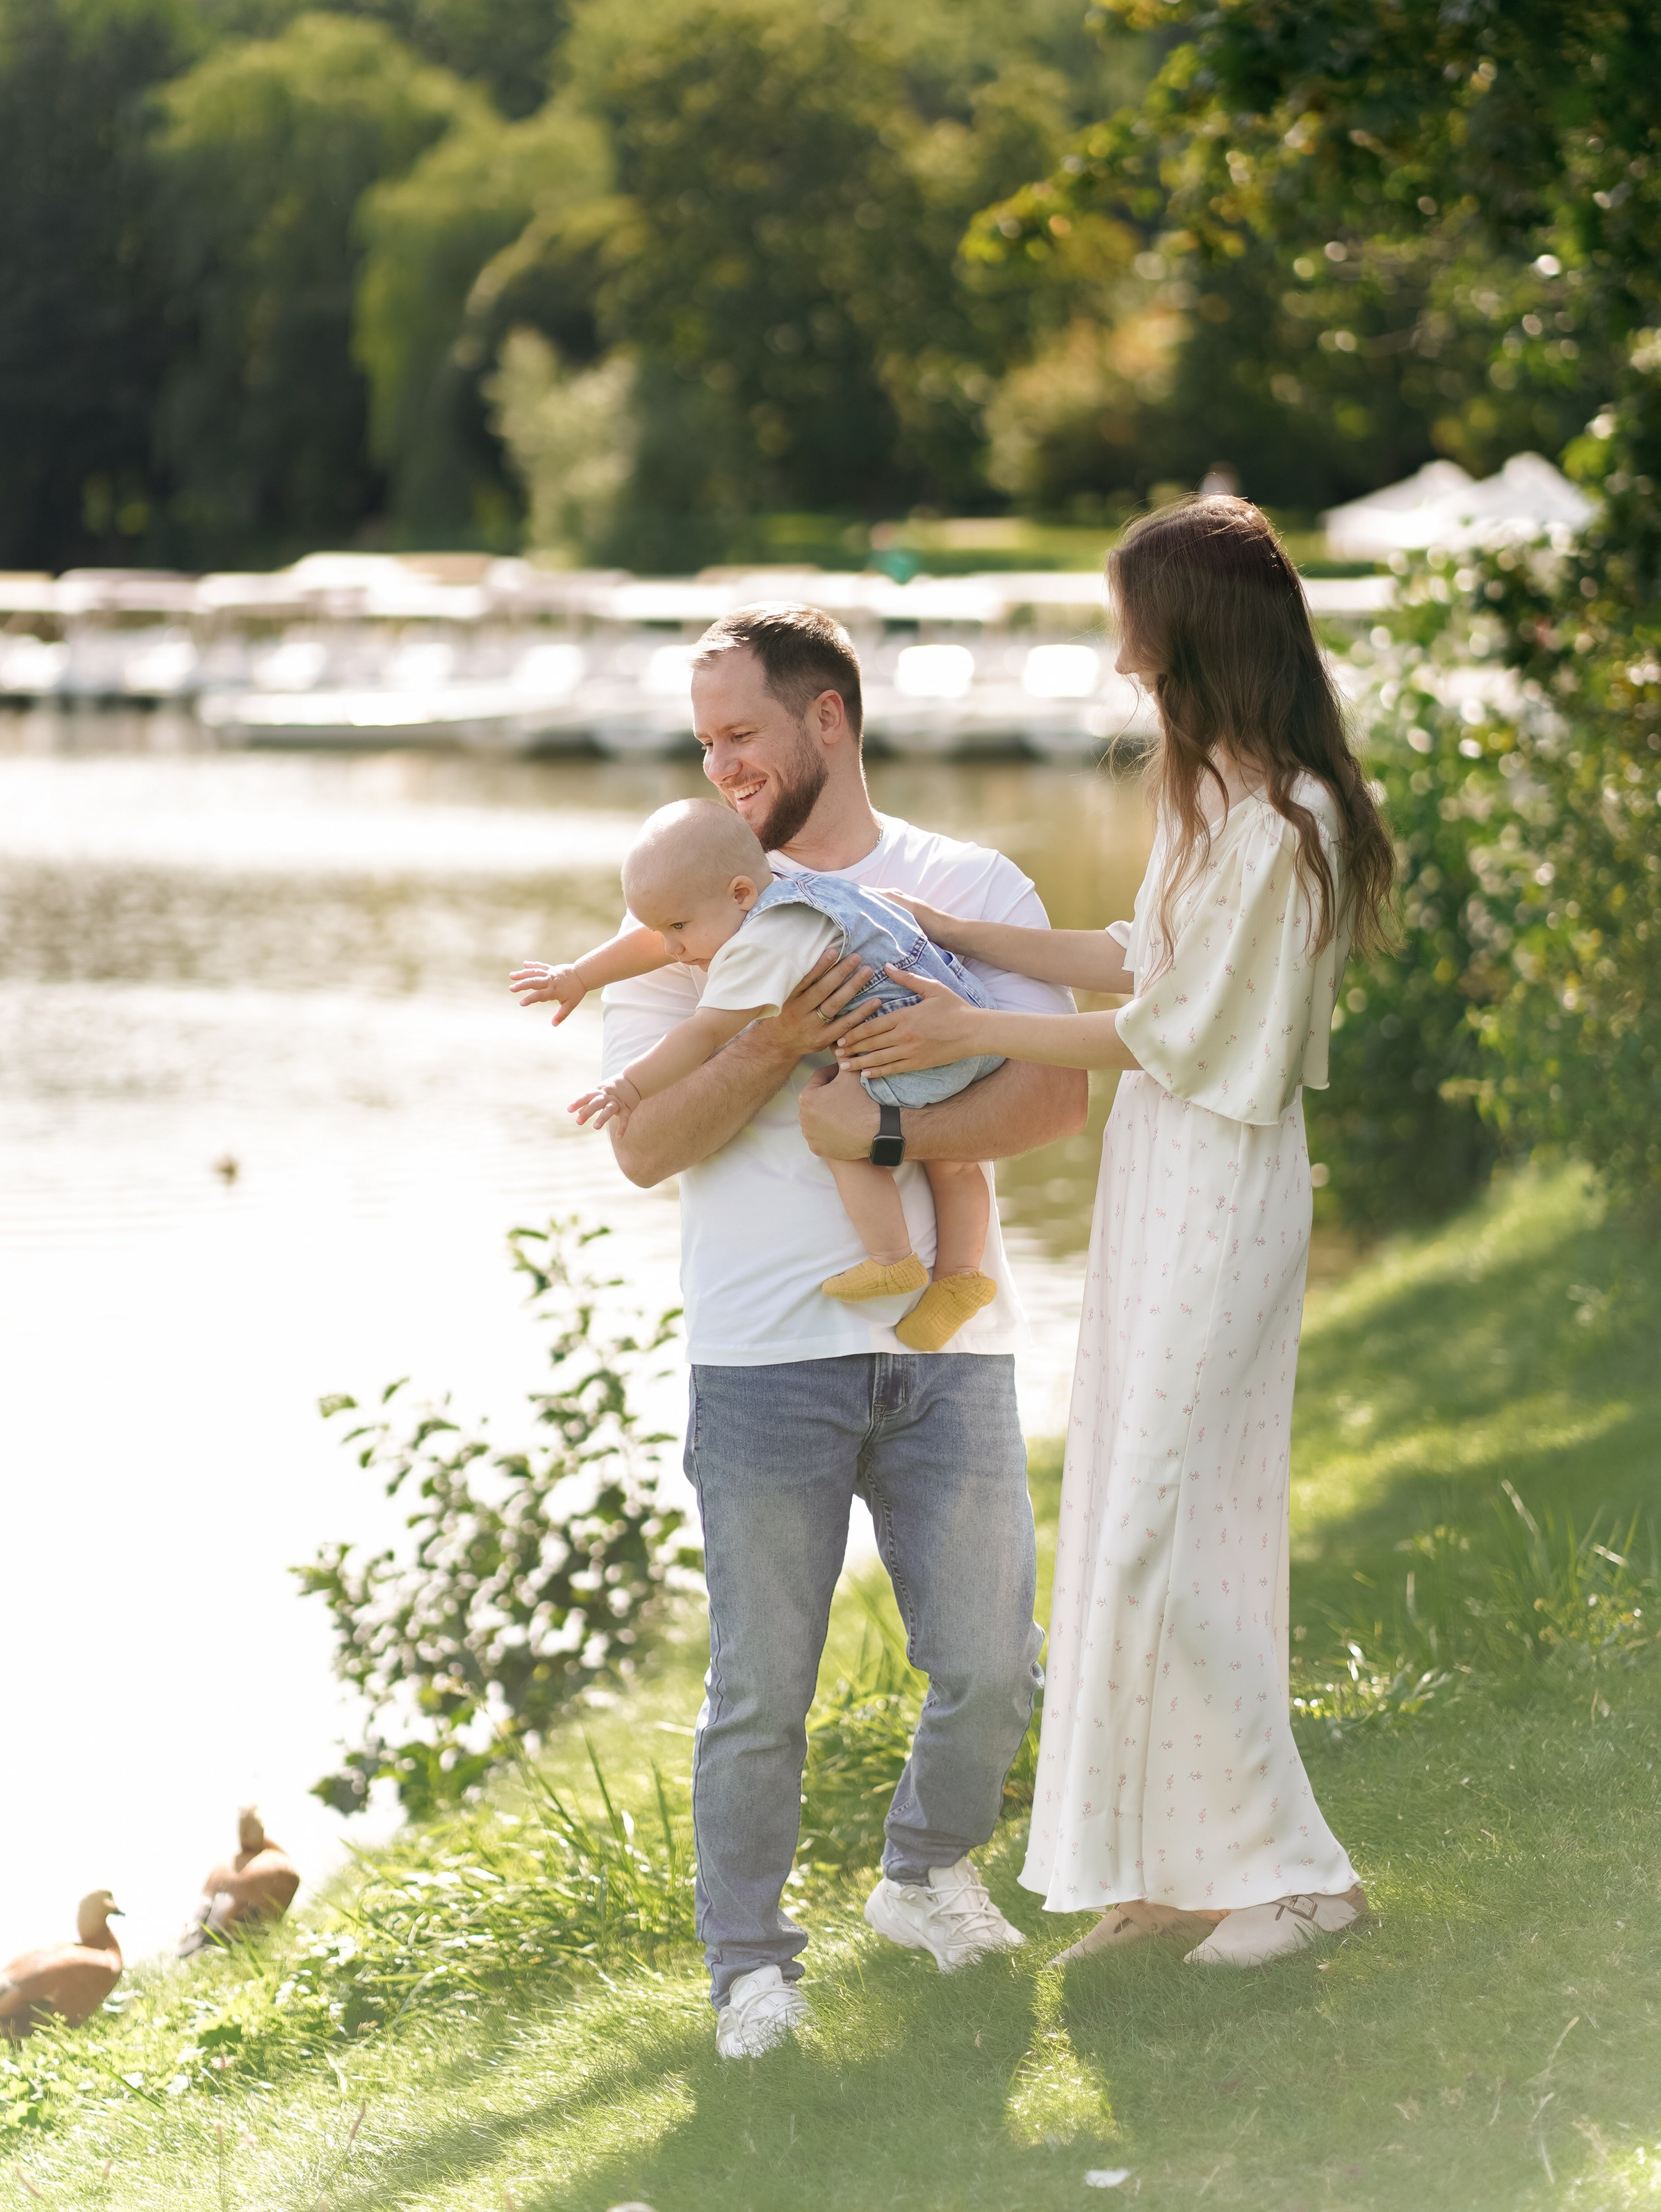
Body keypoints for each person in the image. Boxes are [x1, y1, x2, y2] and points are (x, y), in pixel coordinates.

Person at [837, 495, 1396, 1971]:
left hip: (1221, 1176)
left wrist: (963, 1025)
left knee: (1165, 1523)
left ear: (1191, 631)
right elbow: (1134, 960)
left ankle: (1296, 1874)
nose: (1118, 651)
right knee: (1120, 1527)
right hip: (1157, 1174)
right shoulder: (1210, 798)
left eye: (1131, 620)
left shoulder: (1293, 823)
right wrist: (960, 941)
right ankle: (1164, 1865)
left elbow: (1183, 1029)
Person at [550, 603, 1086, 2057]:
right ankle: (748, 1968)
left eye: (740, 735)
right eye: (703, 741)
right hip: (759, 1359)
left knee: (989, 1664)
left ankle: (921, 1874)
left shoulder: (961, 880)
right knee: (756, 1694)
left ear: (826, 721)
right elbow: (644, 1144)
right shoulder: (690, 897)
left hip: (944, 1346)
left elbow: (1052, 1095)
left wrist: (892, 1135)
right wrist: (775, 1041)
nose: (721, 764)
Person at [515, 798, 1008, 1347]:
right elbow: (655, 940)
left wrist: (629, 1086)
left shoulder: (761, 942)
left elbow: (702, 1033)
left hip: (901, 1047)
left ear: (741, 896)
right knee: (957, 1162)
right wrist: (579, 974)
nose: (675, 950)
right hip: (969, 1029)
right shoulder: (800, 892)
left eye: (680, 928)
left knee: (836, 1124)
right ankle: (961, 1275)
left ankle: (892, 1258)